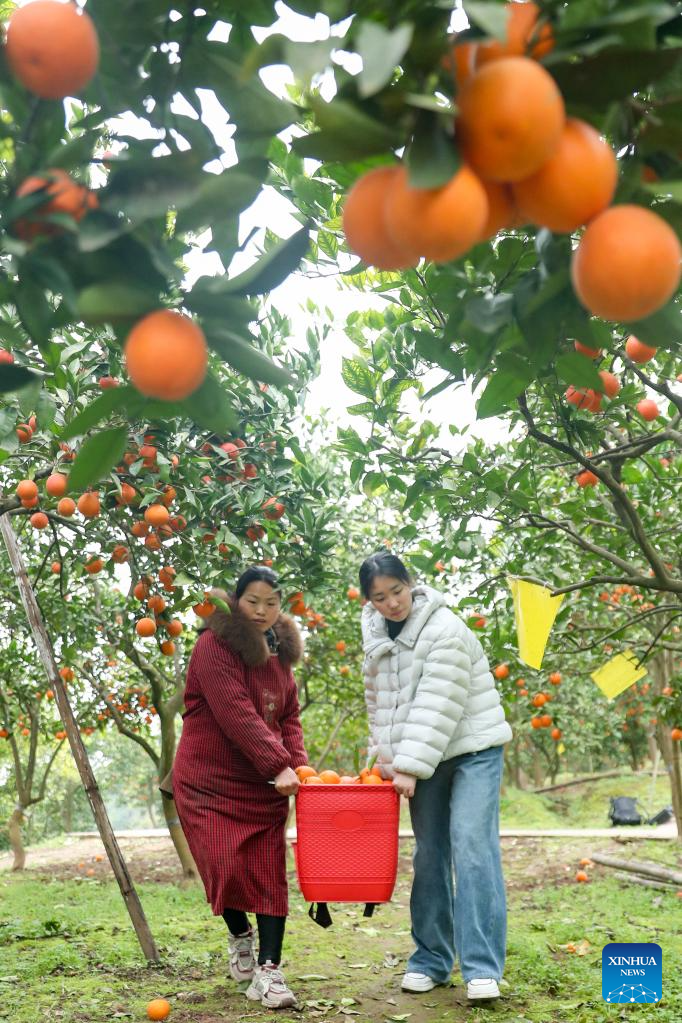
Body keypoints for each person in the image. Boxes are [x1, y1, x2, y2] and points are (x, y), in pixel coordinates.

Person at [359, 551, 512, 1003]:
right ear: (369, 601)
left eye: (397, 591)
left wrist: (408, 766)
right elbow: (382, 706)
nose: (392, 603)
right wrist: (384, 761)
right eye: (380, 597)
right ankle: (431, 959)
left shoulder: (446, 629)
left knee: (472, 846)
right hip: (426, 755)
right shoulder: (375, 636)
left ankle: (482, 968)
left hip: (473, 750)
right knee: (429, 855)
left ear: (411, 584)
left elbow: (436, 702)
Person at [173, 566, 307, 1009]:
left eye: (272, 603)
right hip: (208, 782)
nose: (262, 611)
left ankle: (269, 972)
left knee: (268, 874)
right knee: (223, 865)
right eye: (253, 601)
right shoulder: (214, 645)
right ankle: (239, 933)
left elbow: (288, 716)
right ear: (236, 600)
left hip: (263, 786)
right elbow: (234, 711)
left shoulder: (280, 654)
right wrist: (277, 763)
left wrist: (299, 767)